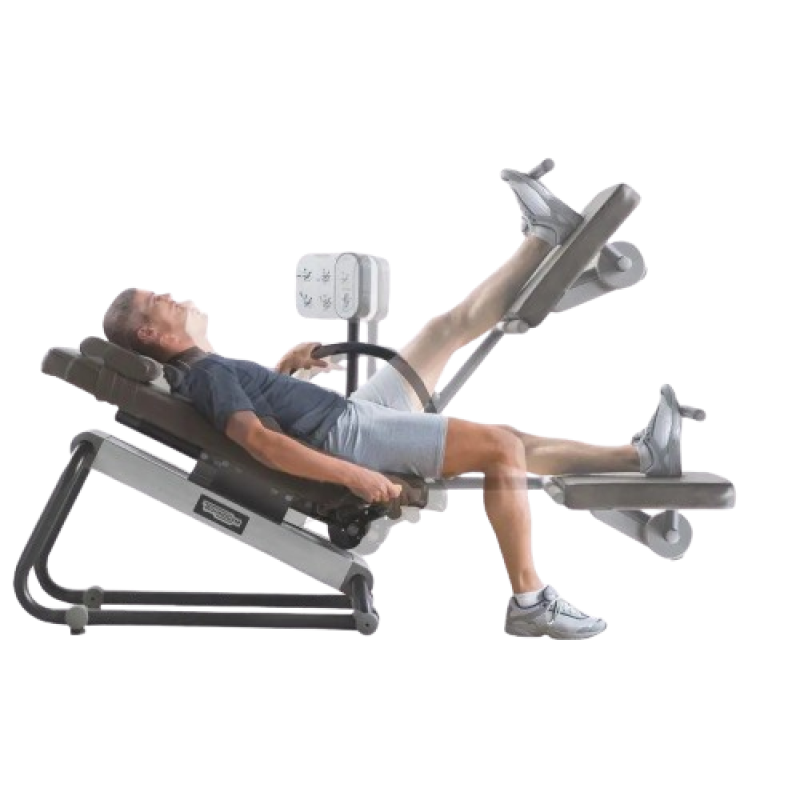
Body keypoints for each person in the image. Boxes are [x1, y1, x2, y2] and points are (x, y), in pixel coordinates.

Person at [101, 167, 689, 640]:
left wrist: (285, 367)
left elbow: (257, 417)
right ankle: (531, 600)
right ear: (150, 333)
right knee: (501, 447)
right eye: (159, 301)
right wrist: (356, 476)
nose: (171, 296)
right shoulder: (205, 374)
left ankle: (543, 237)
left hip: (344, 417)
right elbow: (260, 442)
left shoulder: (205, 369)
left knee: (440, 331)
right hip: (348, 438)